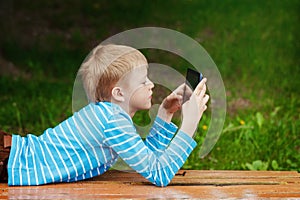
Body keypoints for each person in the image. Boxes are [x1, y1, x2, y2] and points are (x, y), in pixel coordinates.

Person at [1, 44, 209, 187]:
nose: (151, 85)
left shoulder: (110, 116)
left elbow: (148, 162)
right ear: (119, 94)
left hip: (13, 156)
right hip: (10, 161)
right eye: (143, 81)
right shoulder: (112, 121)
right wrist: (189, 124)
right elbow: (159, 174)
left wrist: (165, 112)